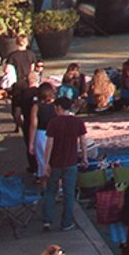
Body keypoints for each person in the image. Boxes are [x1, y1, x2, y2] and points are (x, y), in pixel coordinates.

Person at [40, 94, 86, 232]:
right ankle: (66, 222)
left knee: (50, 191)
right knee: (69, 194)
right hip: (71, 162)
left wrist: (45, 163)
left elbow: (49, 144)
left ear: (59, 108)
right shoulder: (78, 122)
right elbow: (83, 142)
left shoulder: (53, 123)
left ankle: (47, 220)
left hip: (55, 162)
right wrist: (84, 157)